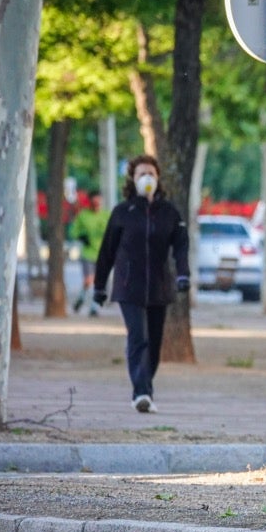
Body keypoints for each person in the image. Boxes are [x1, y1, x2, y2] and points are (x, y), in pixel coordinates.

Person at [93, 155, 190, 414]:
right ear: (133, 180)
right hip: (128, 287)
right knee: (139, 338)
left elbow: (181, 247)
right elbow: (107, 252)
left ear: (158, 179)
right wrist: (99, 286)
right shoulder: (123, 212)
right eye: (141, 174)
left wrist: (183, 275)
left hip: (159, 288)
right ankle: (142, 393)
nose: (147, 178)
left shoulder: (170, 213)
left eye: (151, 174)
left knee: (155, 344)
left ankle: (145, 385)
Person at [69, 190, 111, 316]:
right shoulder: (83, 215)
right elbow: (73, 231)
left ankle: (94, 308)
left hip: (103, 254)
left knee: (99, 282)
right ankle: (82, 298)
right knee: (88, 280)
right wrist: (81, 236)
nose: (96, 205)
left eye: (98, 202)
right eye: (94, 202)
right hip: (88, 254)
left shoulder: (106, 216)